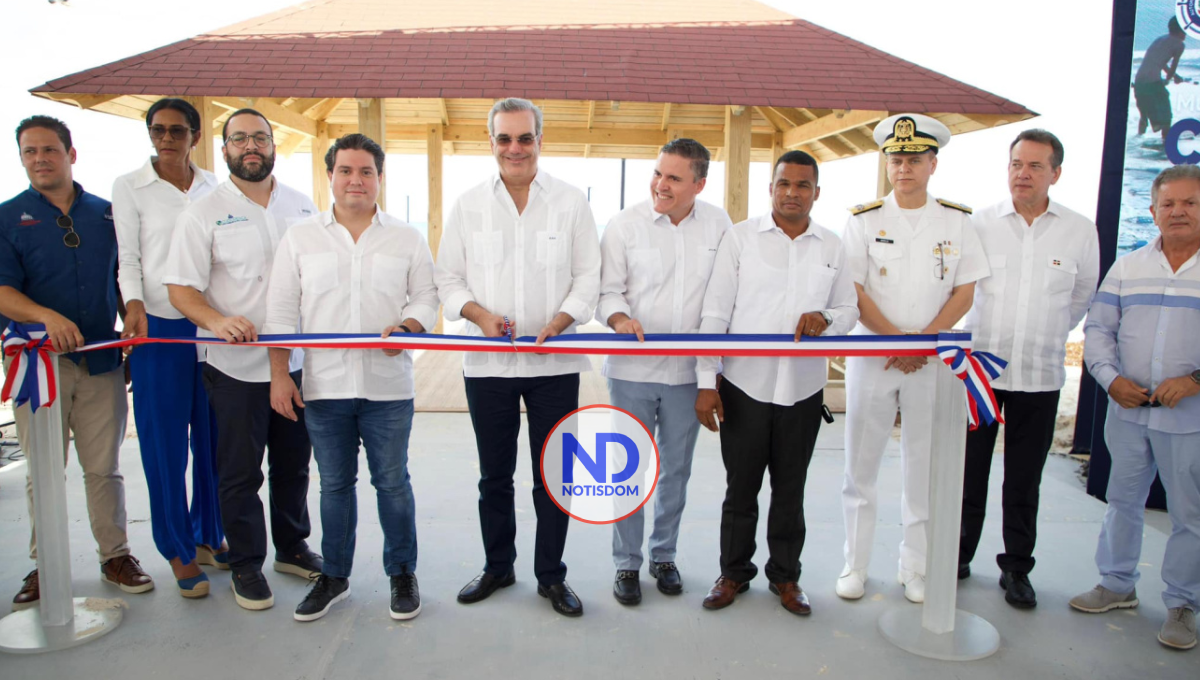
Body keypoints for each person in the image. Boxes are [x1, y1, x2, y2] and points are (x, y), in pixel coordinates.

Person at [435, 98, 600, 617]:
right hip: (489, 364)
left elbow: (588, 277)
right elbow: (448, 280)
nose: (515, 148)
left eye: (525, 138)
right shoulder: (468, 205)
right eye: (504, 138)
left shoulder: (571, 202)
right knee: (494, 476)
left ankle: (551, 576)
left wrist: (562, 320)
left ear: (539, 141)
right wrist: (480, 315)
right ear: (491, 142)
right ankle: (498, 567)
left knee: (553, 476)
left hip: (555, 364)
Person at [264, 133, 439, 622]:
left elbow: (427, 297)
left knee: (393, 484)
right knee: (334, 487)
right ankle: (335, 576)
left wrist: (409, 327)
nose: (355, 180)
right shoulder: (301, 238)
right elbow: (281, 311)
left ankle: (401, 573)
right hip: (325, 388)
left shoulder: (406, 238)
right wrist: (280, 375)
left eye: (366, 171)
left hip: (388, 388)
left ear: (380, 178)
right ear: (330, 176)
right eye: (345, 170)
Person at [165, 108, 321, 611]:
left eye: (260, 137)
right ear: (224, 148)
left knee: (294, 464)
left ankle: (292, 548)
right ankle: (247, 564)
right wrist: (215, 321)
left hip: (296, 362)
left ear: (274, 144)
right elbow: (180, 289)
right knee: (239, 472)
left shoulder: (303, 206)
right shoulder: (203, 212)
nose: (250, 146)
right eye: (239, 139)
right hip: (235, 368)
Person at [695, 150, 858, 615]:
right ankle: (732, 573)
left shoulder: (832, 246)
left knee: (790, 490)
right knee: (741, 489)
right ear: (771, 188)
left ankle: (786, 577)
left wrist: (826, 317)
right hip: (744, 386)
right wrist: (706, 381)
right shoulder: (740, 239)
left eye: (803, 185)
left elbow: (848, 310)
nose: (792, 193)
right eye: (784, 183)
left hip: (803, 390)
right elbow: (715, 313)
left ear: (816, 193)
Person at [1, 115, 153, 610]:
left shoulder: (107, 214)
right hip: (39, 367)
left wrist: (132, 311)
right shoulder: (7, 217)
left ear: (70, 154)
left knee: (104, 467)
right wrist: (46, 317)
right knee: (43, 470)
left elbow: (127, 275)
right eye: (29, 151)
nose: (39, 159)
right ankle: (46, 565)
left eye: (49, 149)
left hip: (101, 363)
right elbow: (2, 291)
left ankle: (116, 556)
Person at [837, 113, 989, 603]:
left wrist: (921, 342)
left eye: (914, 160)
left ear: (932, 165)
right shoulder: (863, 220)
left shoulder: (957, 221)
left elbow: (965, 291)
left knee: (922, 466)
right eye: (896, 159)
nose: (904, 168)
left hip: (932, 359)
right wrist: (896, 342)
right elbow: (853, 290)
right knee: (861, 465)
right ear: (886, 163)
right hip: (873, 356)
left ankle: (915, 567)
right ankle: (855, 565)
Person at [959, 129, 1100, 608]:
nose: (1023, 173)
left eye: (1035, 166)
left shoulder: (1079, 230)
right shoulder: (980, 223)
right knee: (969, 473)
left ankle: (1016, 568)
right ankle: (957, 556)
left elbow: (1081, 296)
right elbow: (962, 289)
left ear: (1055, 174)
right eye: (1016, 164)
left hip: (1039, 376)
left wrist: (1047, 330)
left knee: (1023, 480)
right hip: (980, 374)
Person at [1070, 163, 1200, 651]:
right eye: (1168, 203)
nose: (1178, 211)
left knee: (1189, 514)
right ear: (1153, 210)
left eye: (1190, 202)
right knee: (1122, 502)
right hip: (1127, 412)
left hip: (1189, 420)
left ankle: (1183, 604)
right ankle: (1117, 584)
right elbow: (1099, 329)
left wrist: (1193, 381)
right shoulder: (1127, 268)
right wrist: (1110, 380)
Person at [597, 138, 731, 605]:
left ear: (699, 184)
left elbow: (721, 303)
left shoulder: (719, 226)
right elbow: (607, 292)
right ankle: (626, 563)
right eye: (658, 173)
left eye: (674, 177)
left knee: (676, 470)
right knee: (626, 470)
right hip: (631, 372)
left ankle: (663, 555)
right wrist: (619, 318)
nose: (661, 184)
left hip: (687, 375)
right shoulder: (623, 225)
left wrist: (710, 376)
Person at [111, 98, 225, 598]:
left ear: (195, 136)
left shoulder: (214, 187)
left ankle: (207, 534)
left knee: (213, 441)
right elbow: (129, 258)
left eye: (177, 130)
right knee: (166, 448)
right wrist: (133, 305)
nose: (166, 139)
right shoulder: (130, 187)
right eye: (158, 130)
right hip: (158, 325)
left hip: (210, 325)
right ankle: (177, 548)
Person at [1134, 17, 1187, 142]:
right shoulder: (1179, 45)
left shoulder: (1160, 39)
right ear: (1182, 31)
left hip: (1138, 82)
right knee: (1166, 117)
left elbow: (1159, 62)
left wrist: (1174, 76)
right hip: (1153, 84)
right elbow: (1172, 67)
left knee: (1144, 116)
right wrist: (1169, 79)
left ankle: (1136, 142)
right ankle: (1165, 144)